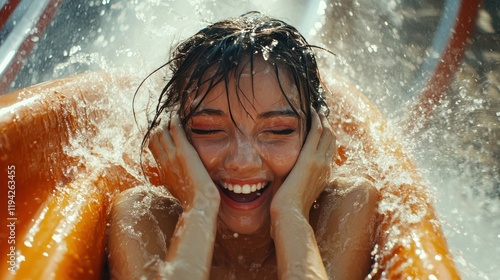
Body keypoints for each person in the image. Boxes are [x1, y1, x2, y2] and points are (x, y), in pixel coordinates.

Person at [107, 12, 379, 280]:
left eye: (278, 130)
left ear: (315, 138)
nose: (244, 160)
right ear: (172, 137)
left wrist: (292, 215)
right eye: (208, 129)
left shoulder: (343, 209)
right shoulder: (145, 219)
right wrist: (199, 208)